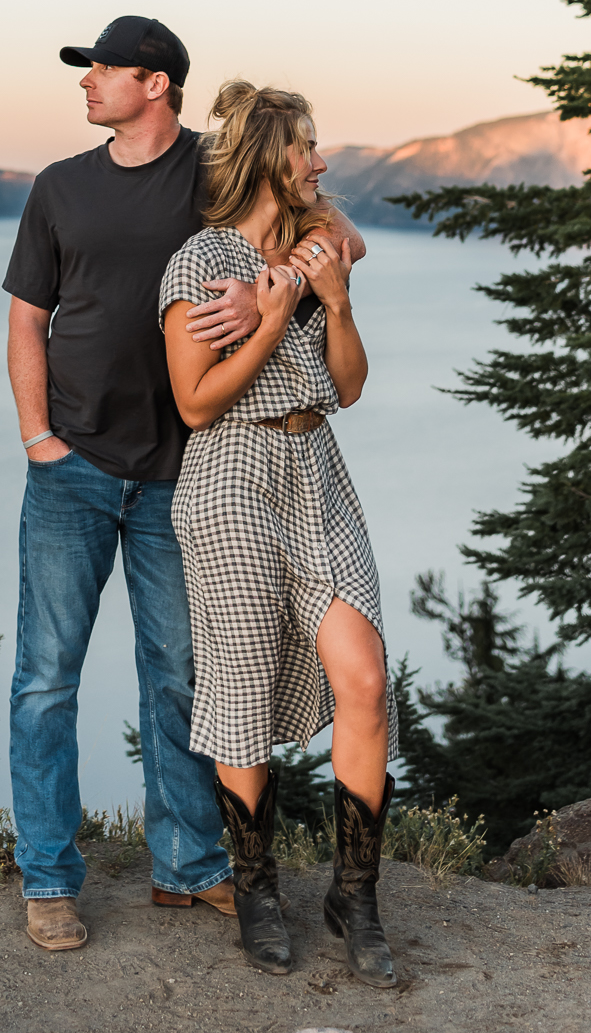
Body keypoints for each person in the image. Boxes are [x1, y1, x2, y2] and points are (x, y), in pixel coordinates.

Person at [2, 15, 365, 953]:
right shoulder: (59, 188)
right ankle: (49, 879)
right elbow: (26, 320)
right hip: (73, 466)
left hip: (180, 473)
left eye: (102, 69)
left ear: (155, 83)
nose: (86, 82)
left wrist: (269, 283)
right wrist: (38, 436)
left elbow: (342, 235)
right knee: (47, 679)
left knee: (183, 680)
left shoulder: (216, 170)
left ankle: (189, 869)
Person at [159, 80, 398, 987]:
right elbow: (193, 400)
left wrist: (327, 297)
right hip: (230, 476)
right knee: (245, 683)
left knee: (365, 676)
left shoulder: (308, 251)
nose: (322, 163)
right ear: (273, 161)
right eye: (308, 150)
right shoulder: (194, 266)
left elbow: (350, 386)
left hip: (318, 470)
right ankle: (256, 890)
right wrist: (262, 321)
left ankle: (356, 896)